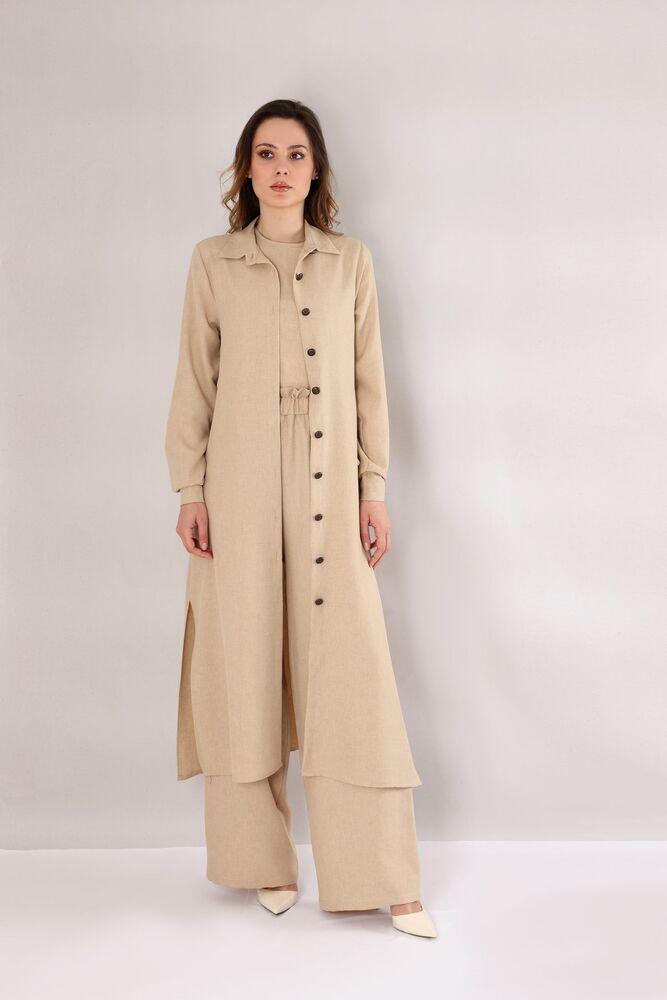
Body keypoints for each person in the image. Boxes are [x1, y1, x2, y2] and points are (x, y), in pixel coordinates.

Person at [164, 99, 437, 938]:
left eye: (295, 154)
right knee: (242, 659)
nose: (280, 168)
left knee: (349, 670)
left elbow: (369, 382)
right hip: (238, 481)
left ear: (315, 169)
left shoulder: (349, 261)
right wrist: (190, 489)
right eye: (265, 153)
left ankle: (381, 876)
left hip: (330, 486)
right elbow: (194, 381)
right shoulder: (213, 262)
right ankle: (261, 863)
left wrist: (372, 488)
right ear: (245, 169)